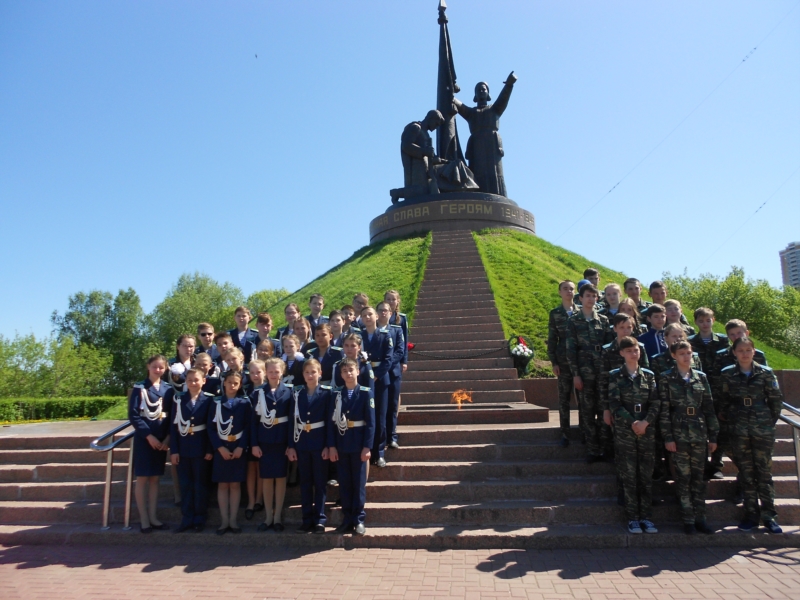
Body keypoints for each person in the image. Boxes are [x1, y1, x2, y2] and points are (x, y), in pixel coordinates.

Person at [720, 337, 784, 533]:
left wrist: (765, 423)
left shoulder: (765, 373)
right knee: (747, 474)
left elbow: (775, 402)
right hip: (739, 428)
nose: (745, 353)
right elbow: (724, 401)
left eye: (748, 350)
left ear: (754, 352)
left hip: (762, 428)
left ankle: (769, 516)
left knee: (764, 473)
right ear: (734, 353)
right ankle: (750, 515)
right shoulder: (728, 374)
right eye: (741, 350)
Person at [659, 340, 719, 535]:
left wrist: (713, 436)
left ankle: (701, 518)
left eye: (689, 352)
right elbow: (665, 411)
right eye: (682, 353)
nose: (687, 356)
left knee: (698, 479)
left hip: (699, 433)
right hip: (679, 433)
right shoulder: (667, 378)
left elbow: (709, 408)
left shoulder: (701, 377)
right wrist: (668, 437)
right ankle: (688, 520)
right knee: (683, 479)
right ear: (674, 356)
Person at [608, 336, 660, 534]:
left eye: (636, 350)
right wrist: (633, 422)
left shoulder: (648, 375)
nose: (633, 353)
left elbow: (655, 402)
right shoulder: (615, 376)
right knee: (629, 476)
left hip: (646, 430)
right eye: (629, 350)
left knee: (645, 476)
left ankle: (646, 517)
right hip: (626, 430)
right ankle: (632, 518)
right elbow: (614, 403)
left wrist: (645, 422)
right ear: (622, 353)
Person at [328, 358, 375, 535]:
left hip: (358, 444)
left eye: (351, 370)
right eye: (344, 371)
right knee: (345, 484)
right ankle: (347, 519)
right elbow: (332, 422)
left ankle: (359, 519)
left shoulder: (365, 393)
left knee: (359, 483)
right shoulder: (336, 394)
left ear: (358, 371)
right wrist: (332, 446)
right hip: (341, 443)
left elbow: (371, 423)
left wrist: (367, 447)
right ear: (340, 375)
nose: (348, 373)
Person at [566, 283, 612, 463]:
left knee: (603, 411)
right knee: (587, 411)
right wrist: (576, 374)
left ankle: (603, 449)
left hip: (602, 372)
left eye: (594, 296)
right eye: (587, 296)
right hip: (584, 372)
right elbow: (570, 350)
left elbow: (609, 348)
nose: (591, 299)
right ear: (581, 299)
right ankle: (592, 450)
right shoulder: (573, 321)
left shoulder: (604, 320)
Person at [128, 354, 174, 533]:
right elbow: (134, 415)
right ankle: (144, 519)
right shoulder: (140, 387)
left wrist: (167, 438)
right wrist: (149, 436)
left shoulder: (168, 389)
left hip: (161, 439)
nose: (158, 370)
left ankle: (154, 517)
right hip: (145, 439)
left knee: (155, 479)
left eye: (161, 367)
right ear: (148, 366)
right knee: (142, 479)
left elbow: (170, 415)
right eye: (155, 366)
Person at [453, 72, 517, 196]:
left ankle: (498, 196)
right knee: (477, 171)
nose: (481, 91)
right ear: (475, 95)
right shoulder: (471, 113)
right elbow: (457, 104)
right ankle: (478, 194)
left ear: (488, 93)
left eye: (484, 89)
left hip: (492, 144)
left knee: (494, 171)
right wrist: (449, 89)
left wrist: (509, 85)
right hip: (476, 145)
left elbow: (503, 99)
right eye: (478, 89)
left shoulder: (494, 109)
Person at [287, 359, 331, 534]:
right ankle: (306, 519)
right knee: (305, 483)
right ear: (303, 375)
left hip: (320, 443)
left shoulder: (327, 393)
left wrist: (329, 445)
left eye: (314, 372)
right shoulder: (297, 394)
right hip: (302, 443)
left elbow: (329, 422)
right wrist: (291, 446)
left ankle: (320, 519)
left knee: (320, 483)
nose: (310, 375)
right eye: (307, 372)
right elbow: (292, 421)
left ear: (320, 373)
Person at [251, 357, 292, 533]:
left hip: (282, 440)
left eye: (277, 371)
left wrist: (291, 444)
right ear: (266, 373)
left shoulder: (289, 392)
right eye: (270, 371)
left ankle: (277, 517)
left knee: (281, 478)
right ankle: (268, 517)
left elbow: (292, 421)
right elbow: (253, 422)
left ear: (282, 372)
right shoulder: (258, 392)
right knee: (267, 478)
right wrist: (254, 444)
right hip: (265, 440)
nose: (273, 374)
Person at [207, 370, 251, 535]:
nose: (232, 385)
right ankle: (224, 520)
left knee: (235, 485)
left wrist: (241, 447)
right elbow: (211, 428)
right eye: (229, 382)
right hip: (222, 448)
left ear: (240, 385)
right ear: (223, 383)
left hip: (238, 448)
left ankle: (233, 520)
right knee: (223, 484)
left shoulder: (244, 402)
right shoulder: (216, 402)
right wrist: (220, 448)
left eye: (236, 383)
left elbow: (248, 426)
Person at [169, 367, 213, 533]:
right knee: (186, 485)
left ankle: (199, 518)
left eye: (196, 380)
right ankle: (186, 518)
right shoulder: (179, 399)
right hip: (183, 447)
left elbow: (211, 427)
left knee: (200, 484)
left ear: (204, 381)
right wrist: (174, 450)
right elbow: (174, 427)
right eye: (189, 380)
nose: (193, 383)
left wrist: (210, 449)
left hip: (201, 448)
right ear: (185, 382)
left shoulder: (209, 400)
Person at [390, 110, 449, 202]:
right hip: (415, 166)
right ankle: (396, 193)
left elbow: (430, 154)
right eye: (436, 123)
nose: (436, 127)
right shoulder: (415, 128)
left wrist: (441, 160)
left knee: (428, 189)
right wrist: (424, 151)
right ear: (431, 119)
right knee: (421, 191)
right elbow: (406, 145)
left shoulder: (426, 133)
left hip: (426, 165)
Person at [360, 306, 393, 467]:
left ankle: (379, 453)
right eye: (364, 315)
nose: (367, 317)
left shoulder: (385, 335)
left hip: (380, 381)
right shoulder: (358, 336)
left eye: (370, 314)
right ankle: (367, 450)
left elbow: (388, 359)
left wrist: (376, 376)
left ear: (376, 316)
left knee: (380, 417)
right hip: (363, 379)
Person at [547, 280, 578, 446]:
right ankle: (564, 433)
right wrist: (553, 362)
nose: (569, 291)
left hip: (580, 361)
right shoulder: (555, 313)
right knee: (564, 398)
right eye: (565, 289)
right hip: (563, 360)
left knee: (584, 399)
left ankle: (585, 432)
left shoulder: (581, 312)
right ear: (560, 292)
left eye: (571, 289)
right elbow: (552, 339)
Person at [377, 301, 406, 450]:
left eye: (386, 310)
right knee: (380, 408)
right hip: (378, 375)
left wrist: (386, 366)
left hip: (392, 373)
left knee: (392, 405)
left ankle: (392, 436)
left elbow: (400, 351)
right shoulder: (371, 330)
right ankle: (380, 439)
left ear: (390, 313)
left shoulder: (396, 330)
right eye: (381, 310)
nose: (383, 313)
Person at [243, 360, 266, 521]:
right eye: (252, 373)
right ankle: (251, 501)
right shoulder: (245, 390)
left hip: (264, 434)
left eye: (258, 372)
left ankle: (259, 499)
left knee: (261, 468)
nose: (255, 375)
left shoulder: (269, 389)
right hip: (249, 434)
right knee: (251, 468)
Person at [689, 307, 729, 379]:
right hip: (698, 378)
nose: (705, 324)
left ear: (713, 320)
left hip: (719, 378)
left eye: (708, 320)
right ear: (695, 322)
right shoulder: (690, 341)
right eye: (701, 321)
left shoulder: (723, 340)